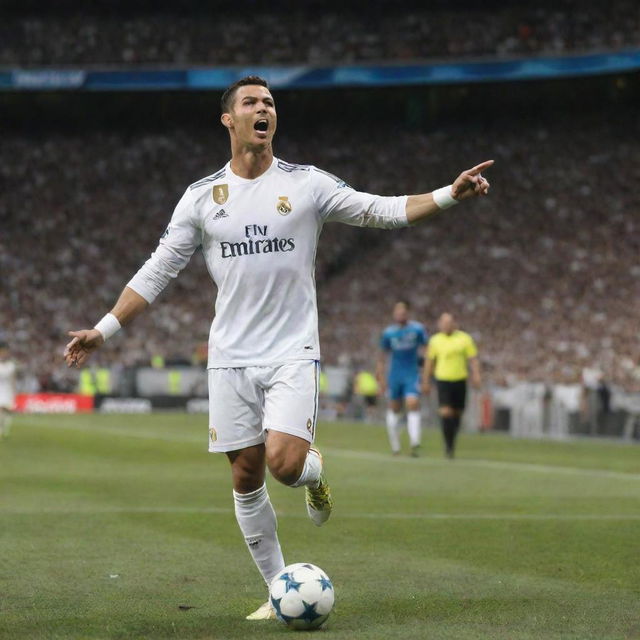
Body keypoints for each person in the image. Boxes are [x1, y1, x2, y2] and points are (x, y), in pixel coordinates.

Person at [63, 76, 492, 620]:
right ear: (229, 119)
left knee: (284, 466)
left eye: (269, 102)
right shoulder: (201, 197)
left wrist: (448, 195)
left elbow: (377, 210)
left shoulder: (307, 184)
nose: (263, 109)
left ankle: (313, 474)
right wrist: (103, 329)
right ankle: (277, 590)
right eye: (251, 102)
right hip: (229, 357)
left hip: (291, 351)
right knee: (246, 475)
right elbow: (158, 270)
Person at [423, 313, 481, 458]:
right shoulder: (435, 340)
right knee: (446, 412)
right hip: (442, 379)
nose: (446, 325)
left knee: (457, 413)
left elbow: (472, 359)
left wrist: (476, 375)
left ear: (454, 324)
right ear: (439, 324)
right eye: (443, 323)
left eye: (449, 322)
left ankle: (451, 439)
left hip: (460, 380)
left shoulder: (464, 339)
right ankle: (448, 446)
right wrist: (426, 381)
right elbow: (429, 362)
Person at [377, 301, 427, 456]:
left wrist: (425, 372)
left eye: (403, 312)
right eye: (398, 312)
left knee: (412, 403)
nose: (400, 315)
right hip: (395, 375)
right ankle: (395, 446)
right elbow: (382, 356)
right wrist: (380, 376)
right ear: (394, 314)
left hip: (412, 373)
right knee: (394, 408)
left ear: (408, 314)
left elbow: (427, 349)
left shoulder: (417, 329)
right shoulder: (388, 333)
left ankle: (415, 442)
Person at [0, 342, 17, 438]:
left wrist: (14, 391)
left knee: (7, 410)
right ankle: (1, 428)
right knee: (1, 409)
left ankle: (5, 428)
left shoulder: (11, 366)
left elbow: (13, 379)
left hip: (8, 390)